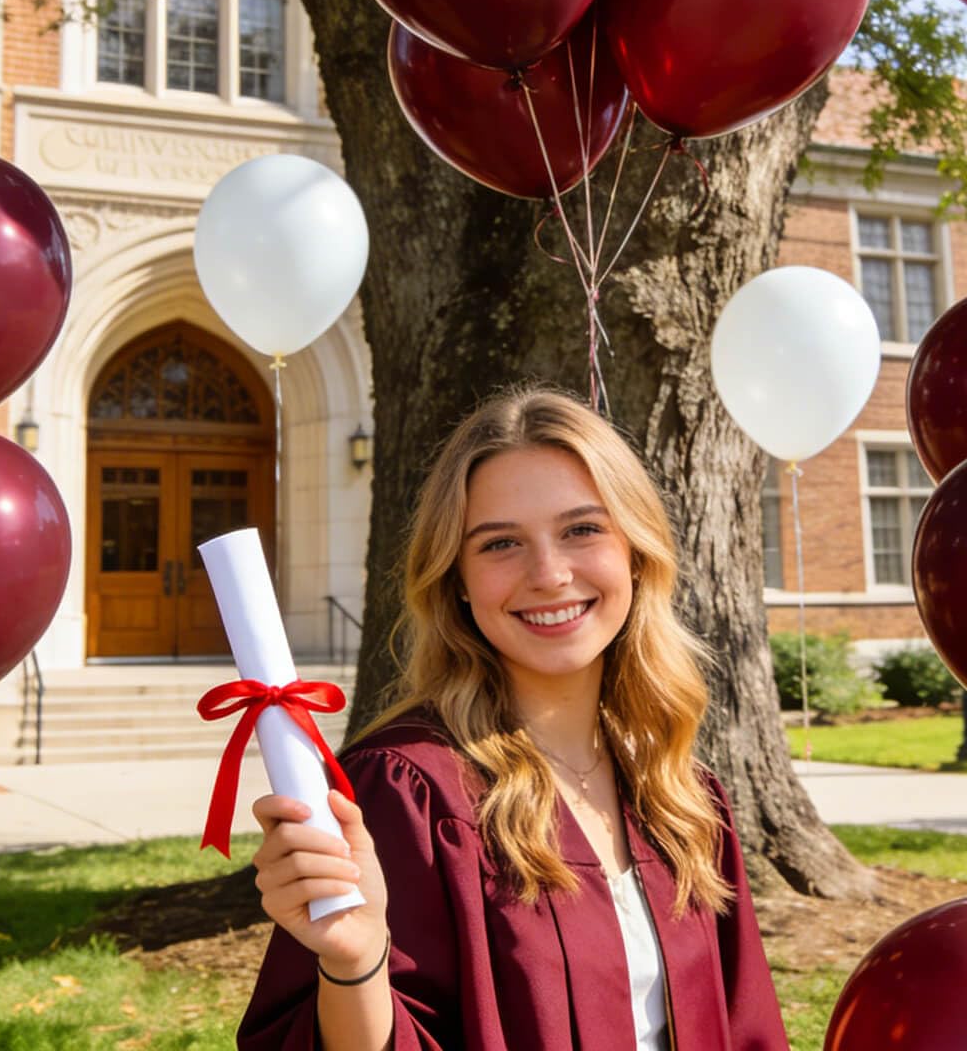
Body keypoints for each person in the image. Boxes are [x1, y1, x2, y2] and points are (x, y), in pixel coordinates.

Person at [240, 387, 788, 1050]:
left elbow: (748, 1026)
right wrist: (355, 964)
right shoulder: (408, 792)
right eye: (500, 544)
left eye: (582, 529)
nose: (550, 574)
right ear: (458, 581)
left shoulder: (681, 791)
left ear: (636, 553)